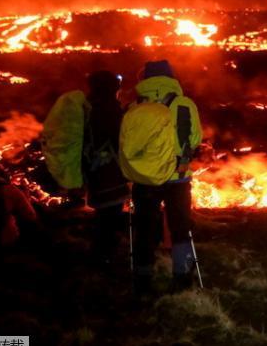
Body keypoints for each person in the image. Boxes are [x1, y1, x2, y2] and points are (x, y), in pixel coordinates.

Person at [127, 60, 202, 294]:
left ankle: (142, 278)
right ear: (171, 77)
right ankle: (182, 276)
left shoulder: (135, 106)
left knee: (144, 227)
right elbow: (196, 137)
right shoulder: (184, 104)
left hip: (145, 178)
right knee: (180, 227)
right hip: (178, 178)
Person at [83, 71, 130, 265]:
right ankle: (104, 256)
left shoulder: (89, 107)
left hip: (94, 170)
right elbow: (119, 139)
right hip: (109, 170)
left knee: (104, 213)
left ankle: (103, 253)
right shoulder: (109, 109)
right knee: (110, 215)